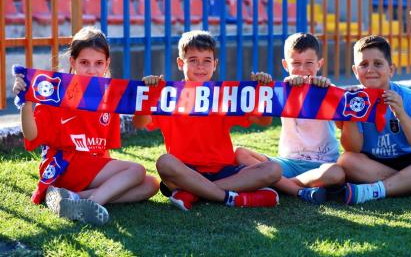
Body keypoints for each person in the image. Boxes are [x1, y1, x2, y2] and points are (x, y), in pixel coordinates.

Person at [12, 26, 159, 225]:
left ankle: (69, 199)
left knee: (151, 185)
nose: (92, 70)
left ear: (107, 63)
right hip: (64, 165)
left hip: (91, 167)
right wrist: (26, 101)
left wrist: (147, 97)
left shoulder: (109, 95)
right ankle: (92, 201)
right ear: (72, 62)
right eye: (84, 63)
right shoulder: (58, 92)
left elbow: (141, 123)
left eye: (98, 63)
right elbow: (31, 136)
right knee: (137, 170)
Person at [133, 30, 282, 211]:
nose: (200, 67)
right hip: (185, 170)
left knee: (273, 169)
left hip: (224, 172)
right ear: (181, 63)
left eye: (207, 61)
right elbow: (140, 123)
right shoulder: (168, 95)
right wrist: (148, 94)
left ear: (215, 64)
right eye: (193, 60)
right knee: (164, 162)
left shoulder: (223, 95)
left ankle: (195, 192)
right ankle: (235, 198)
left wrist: (263, 91)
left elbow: (263, 122)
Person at [337, 35, 411, 205]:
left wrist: (401, 113)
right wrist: (350, 116)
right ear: (355, 71)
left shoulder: (410, 98)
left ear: (391, 69)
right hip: (371, 163)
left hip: (410, 160)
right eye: (363, 65)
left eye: (378, 63)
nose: (370, 70)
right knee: (346, 161)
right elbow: (353, 148)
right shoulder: (352, 100)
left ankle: (375, 190)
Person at [236, 33, 345, 204]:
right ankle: (299, 190)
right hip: (286, 163)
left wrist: (327, 91)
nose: (302, 69)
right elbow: (265, 117)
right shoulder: (282, 89)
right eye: (296, 63)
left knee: (337, 174)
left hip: (322, 164)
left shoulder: (328, 89)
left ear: (320, 64)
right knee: (239, 153)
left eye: (309, 63)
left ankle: (277, 184)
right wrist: (262, 86)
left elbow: (341, 124)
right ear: (285, 65)